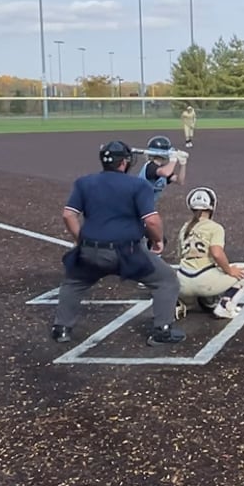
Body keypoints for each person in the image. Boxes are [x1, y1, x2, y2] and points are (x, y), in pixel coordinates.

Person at [51, 140, 183, 345]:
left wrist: (81, 241)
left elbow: (68, 215)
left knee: (73, 283)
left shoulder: (84, 183)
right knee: (166, 280)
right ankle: (162, 331)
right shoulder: (138, 185)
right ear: (124, 163)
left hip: (90, 251)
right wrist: (157, 240)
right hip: (127, 253)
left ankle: (61, 329)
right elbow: (151, 221)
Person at [174, 186, 244, 319]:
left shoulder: (184, 228)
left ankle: (185, 303)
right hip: (203, 282)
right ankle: (225, 307)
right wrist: (229, 271)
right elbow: (217, 253)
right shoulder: (215, 227)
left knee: (210, 270)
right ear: (211, 206)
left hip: (182, 283)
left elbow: (180, 256)